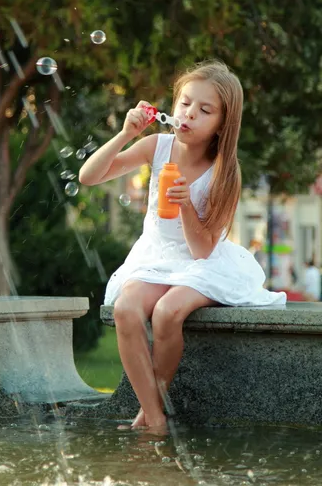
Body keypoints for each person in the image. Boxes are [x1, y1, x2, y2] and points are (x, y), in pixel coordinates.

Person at [79, 60, 287, 432]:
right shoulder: (158, 146)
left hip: (202, 262)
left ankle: (151, 411)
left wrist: (188, 204)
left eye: (205, 110)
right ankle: (156, 419)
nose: (189, 114)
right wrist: (126, 134)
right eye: (184, 104)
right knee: (126, 308)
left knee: (167, 312)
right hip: (157, 255)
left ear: (222, 123)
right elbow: (88, 176)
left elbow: (203, 250)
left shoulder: (225, 170)